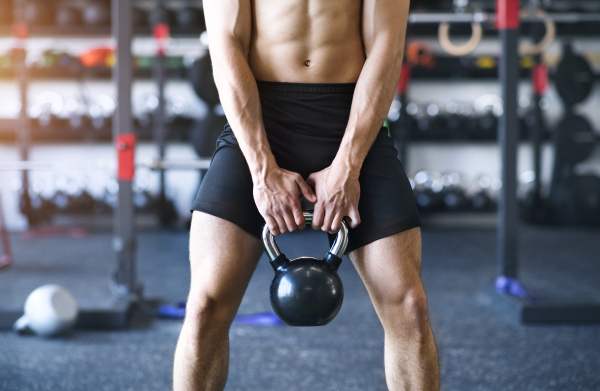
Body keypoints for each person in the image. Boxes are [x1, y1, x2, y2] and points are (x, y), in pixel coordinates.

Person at [173, 0, 440, 389]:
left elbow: (386, 46)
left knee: (409, 307)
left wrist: (348, 163)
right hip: (260, 120)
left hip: (352, 121)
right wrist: (262, 168)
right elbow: (226, 45)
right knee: (204, 308)